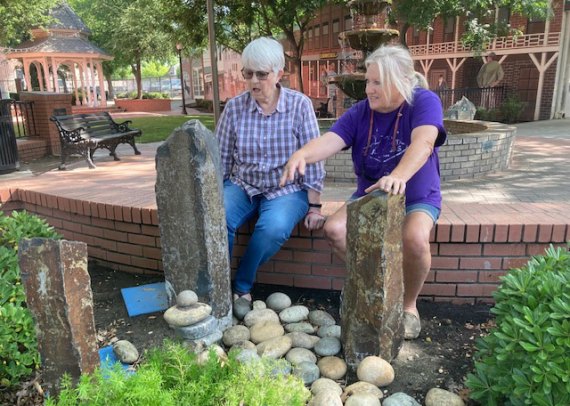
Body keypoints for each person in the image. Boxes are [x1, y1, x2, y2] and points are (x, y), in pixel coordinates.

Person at [280, 44, 447, 340]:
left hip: (416, 195)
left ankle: (408, 306)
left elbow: (423, 144)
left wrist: (398, 176)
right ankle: (379, 285)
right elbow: (330, 140)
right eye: (368, 81)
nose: (368, 89)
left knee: (415, 238)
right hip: (369, 194)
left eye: (376, 82)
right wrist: (302, 155)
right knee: (335, 229)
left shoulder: (424, 102)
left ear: (400, 82)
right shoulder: (360, 113)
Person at [216, 37, 326, 303]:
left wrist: (315, 206)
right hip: (244, 184)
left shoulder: (299, 105)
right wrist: (214, 194)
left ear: (279, 73)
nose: (254, 81)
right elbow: (219, 156)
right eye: (248, 73)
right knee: (218, 218)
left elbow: (313, 156)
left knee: (272, 229)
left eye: (262, 74)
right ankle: (217, 286)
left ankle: (242, 285)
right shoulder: (234, 108)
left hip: (286, 188)